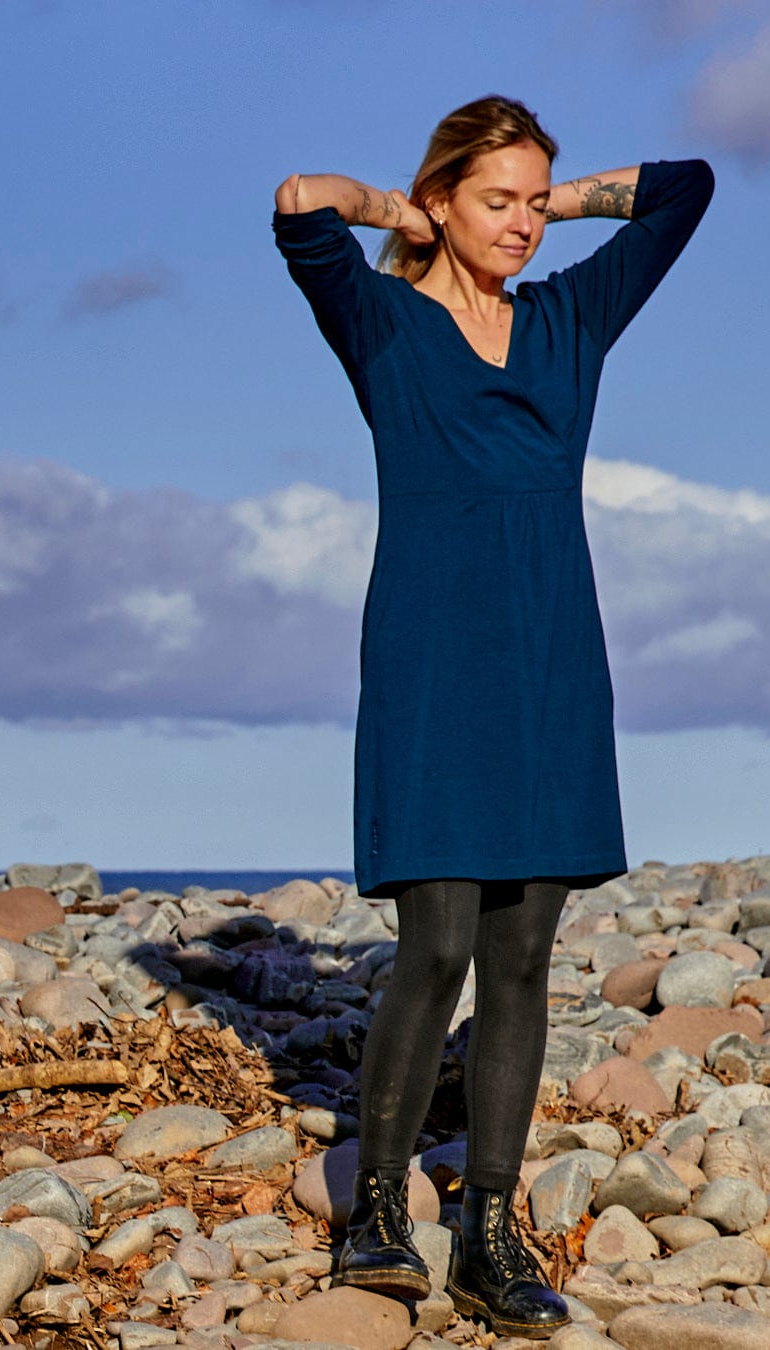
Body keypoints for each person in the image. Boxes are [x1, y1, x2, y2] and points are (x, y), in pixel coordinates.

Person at [272, 96, 713, 1339]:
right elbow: (299, 206)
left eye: (534, 201)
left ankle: (489, 1227)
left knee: (524, 958)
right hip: (430, 659)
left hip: (550, 658)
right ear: (444, 199)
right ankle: (372, 1215)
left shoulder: (571, 317)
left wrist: (556, 203)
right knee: (440, 940)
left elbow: (687, 187)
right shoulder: (385, 324)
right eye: (497, 200)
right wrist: (397, 213)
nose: (520, 223)